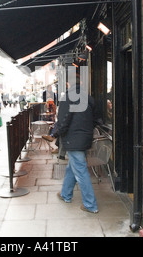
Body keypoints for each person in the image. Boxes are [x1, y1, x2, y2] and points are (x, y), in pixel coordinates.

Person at [44, 73, 99, 214]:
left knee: (80, 171)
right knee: (72, 167)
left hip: (73, 139)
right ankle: (65, 194)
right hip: (85, 139)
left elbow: (63, 121)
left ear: (68, 84)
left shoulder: (67, 98)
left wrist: (56, 134)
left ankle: (90, 204)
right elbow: (96, 120)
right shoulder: (89, 98)